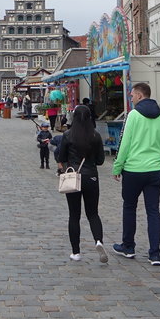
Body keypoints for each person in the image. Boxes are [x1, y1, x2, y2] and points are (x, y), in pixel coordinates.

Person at [112, 82, 160, 267]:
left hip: (133, 171)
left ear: (140, 95)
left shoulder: (133, 115)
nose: (130, 99)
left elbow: (124, 143)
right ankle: (154, 254)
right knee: (153, 211)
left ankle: (128, 247)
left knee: (129, 207)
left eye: (132, 95)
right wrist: (158, 156)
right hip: (155, 171)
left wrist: (117, 167)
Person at [57, 105, 107, 262]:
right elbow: (100, 161)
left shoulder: (68, 135)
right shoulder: (95, 136)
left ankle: (76, 252)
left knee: (74, 215)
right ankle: (98, 240)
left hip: (73, 177)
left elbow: (61, 156)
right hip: (91, 177)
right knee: (93, 213)